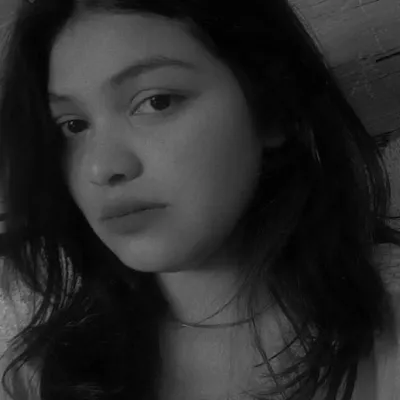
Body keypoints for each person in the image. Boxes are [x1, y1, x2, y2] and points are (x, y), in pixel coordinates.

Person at [0, 0, 399, 399]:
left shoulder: (386, 332)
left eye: (157, 102)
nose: (101, 167)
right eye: (73, 125)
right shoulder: (34, 378)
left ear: (271, 108)